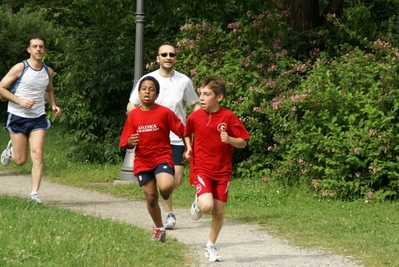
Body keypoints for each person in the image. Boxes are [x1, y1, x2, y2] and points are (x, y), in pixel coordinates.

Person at [126, 41, 200, 230]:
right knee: (165, 181)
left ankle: (183, 198)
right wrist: (139, 121)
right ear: (157, 58)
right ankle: (170, 215)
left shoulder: (184, 81)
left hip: (176, 137)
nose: (168, 57)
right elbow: (131, 105)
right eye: (164, 54)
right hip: (153, 139)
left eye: (172, 55)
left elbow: (195, 104)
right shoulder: (148, 80)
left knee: (174, 181)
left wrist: (196, 125)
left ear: (175, 58)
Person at [184, 76, 250, 262]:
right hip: (202, 168)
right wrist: (189, 148)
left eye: (207, 94)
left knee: (219, 212)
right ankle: (198, 203)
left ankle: (210, 246)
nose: (202, 98)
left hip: (222, 171)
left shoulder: (228, 117)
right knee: (206, 206)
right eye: (200, 94)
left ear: (219, 97)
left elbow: (243, 142)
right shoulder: (195, 117)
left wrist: (230, 139)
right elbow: (186, 132)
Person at [120, 76, 186, 242]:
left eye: (151, 89)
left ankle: (165, 191)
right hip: (143, 160)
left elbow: (182, 130)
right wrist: (129, 142)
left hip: (162, 156)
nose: (147, 92)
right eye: (144, 89)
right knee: (150, 197)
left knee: (166, 186)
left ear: (156, 95)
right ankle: (159, 229)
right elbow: (125, 141)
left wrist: (189, 147)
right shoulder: (133, 115)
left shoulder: (164, 113)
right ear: (139, 93)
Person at [0, 34, 62, 204]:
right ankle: (11, 149)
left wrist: (54, 105)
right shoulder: (20, 68)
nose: (38, 49)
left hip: (38, 117)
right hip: (17, 116)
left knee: (38, 153)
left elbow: (48, 90)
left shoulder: (48, 71)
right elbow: (2, 88)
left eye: (41, 46)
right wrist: (20, 101)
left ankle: (34, 194)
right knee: (20, 161)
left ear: (45, 50)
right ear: (29, 49)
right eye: (34, 46)